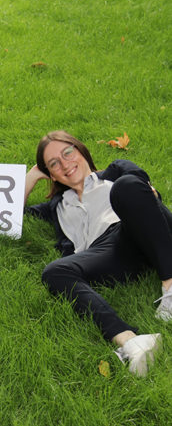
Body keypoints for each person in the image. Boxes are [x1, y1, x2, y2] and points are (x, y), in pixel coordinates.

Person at [24, 130, 172, 377]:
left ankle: (170, 287)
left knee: (126, 188)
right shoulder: (56, 206)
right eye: (54, 163)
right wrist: (33, 175)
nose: (65, 164)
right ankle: (131, 342)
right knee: (55, 271)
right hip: (108, 252)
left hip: (139, 226)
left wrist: (141, 191)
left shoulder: (112, 173)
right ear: (51, 174)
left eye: (67, 153)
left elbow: (142, 185)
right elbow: (9, 214)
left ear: (80, 150)